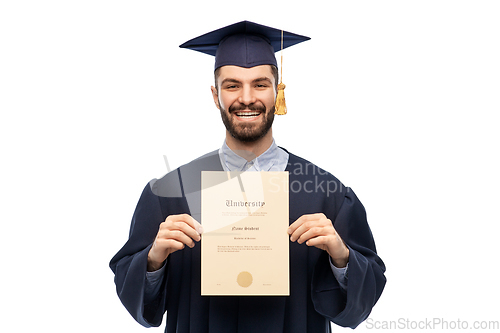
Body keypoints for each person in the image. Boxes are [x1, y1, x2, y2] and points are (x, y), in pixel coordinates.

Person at [110, 21, 386, 333]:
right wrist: (152, 260)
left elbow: (364, 300)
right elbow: (136, 300)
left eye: (260, 84)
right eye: (232, 86)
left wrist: (341, 257)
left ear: (277, 91)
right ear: (216, 96)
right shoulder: (171, 193)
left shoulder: (326, 192)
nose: (246, 98)